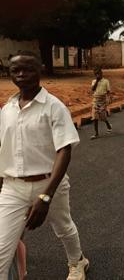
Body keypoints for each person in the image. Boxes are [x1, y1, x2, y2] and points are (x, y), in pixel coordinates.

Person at [0, 51, 89, 280]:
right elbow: (4, 149)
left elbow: (64, 149)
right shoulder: (7, 110)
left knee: (63, 228)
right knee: (1, 248)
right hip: (13, 187)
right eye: (15, 70)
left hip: (50, 184)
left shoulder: (53, 107)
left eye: (27, 69)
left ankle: (77, 262)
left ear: (39, 69)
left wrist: (46, 196)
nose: (21, 74)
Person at [90, 67, 112, 140]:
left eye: (98, 74)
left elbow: (108, 91)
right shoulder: (94, 81)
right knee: (95, 116)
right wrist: (97, 81)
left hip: (103, 100)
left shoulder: (106, 81)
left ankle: (108, 125)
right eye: (96, 74)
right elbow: (92, 89)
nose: (97, 75)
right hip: (95, 100)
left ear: (101, 74)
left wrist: (109, 98)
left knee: (102, 116)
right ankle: (96, 133)